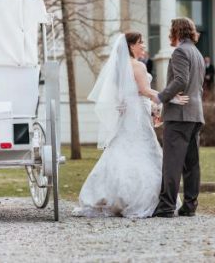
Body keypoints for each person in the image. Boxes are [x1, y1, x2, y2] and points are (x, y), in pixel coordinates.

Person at [73, 32, 188, 218]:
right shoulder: (138, 66)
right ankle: (139, 199)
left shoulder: (120, 68)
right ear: (131, 46)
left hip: (128, 113)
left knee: (120, 148)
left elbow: (127, 94)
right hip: (137, 114)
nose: (143, 46)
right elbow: (144, 90)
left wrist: (150, 107)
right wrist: (170, 98)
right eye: (140, 43)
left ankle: (108, 196)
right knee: (142, 151)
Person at [153, 17, 206, 218]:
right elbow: (197, 86)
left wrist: (161, 98)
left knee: (172, 163)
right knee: (191, 164)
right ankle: (190, 206)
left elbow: (181, 80)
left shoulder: (180, 52)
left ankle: (166, 207)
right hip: (195, 114)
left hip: (180, 116)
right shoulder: (198, 53)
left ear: (176, 31)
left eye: (170, 30)